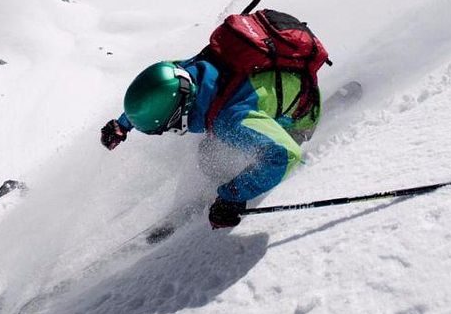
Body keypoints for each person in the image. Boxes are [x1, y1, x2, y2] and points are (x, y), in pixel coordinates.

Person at [100, 57, 322, 229]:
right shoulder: (187, 73)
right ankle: (230, 185)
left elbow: (285, 155)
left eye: (167, 127)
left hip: (298, 118)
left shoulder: (230, 121)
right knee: (208, 153)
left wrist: (232, 198)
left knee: (239, 155)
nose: (168, 131)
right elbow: (157, 91)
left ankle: (237, 187)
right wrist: (124, 124)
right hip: (280, 83)